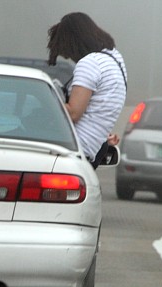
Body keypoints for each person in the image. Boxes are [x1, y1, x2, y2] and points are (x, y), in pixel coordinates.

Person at [47, 12, 127, 169]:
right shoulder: (115, 60)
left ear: (73, 43)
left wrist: (44, 105)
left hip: (71, 152)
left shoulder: (91, 63)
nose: (72, 58)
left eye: (68, 52)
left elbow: (73, 113)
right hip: (92, 150)